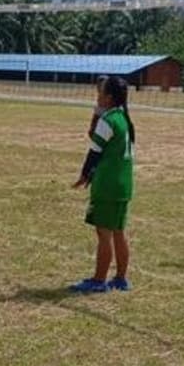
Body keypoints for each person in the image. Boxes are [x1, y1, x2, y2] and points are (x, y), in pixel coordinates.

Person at [70, 76, 135, 294]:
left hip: (107, 185)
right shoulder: (124, 119)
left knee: (103, 233)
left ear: (108, 97)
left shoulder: (108, 120)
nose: (97, 96)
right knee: (118, 231)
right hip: (123, 185)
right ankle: (121, 278)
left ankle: (98, 281)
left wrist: (84, 175)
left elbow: (94, 152)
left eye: (100, 93)